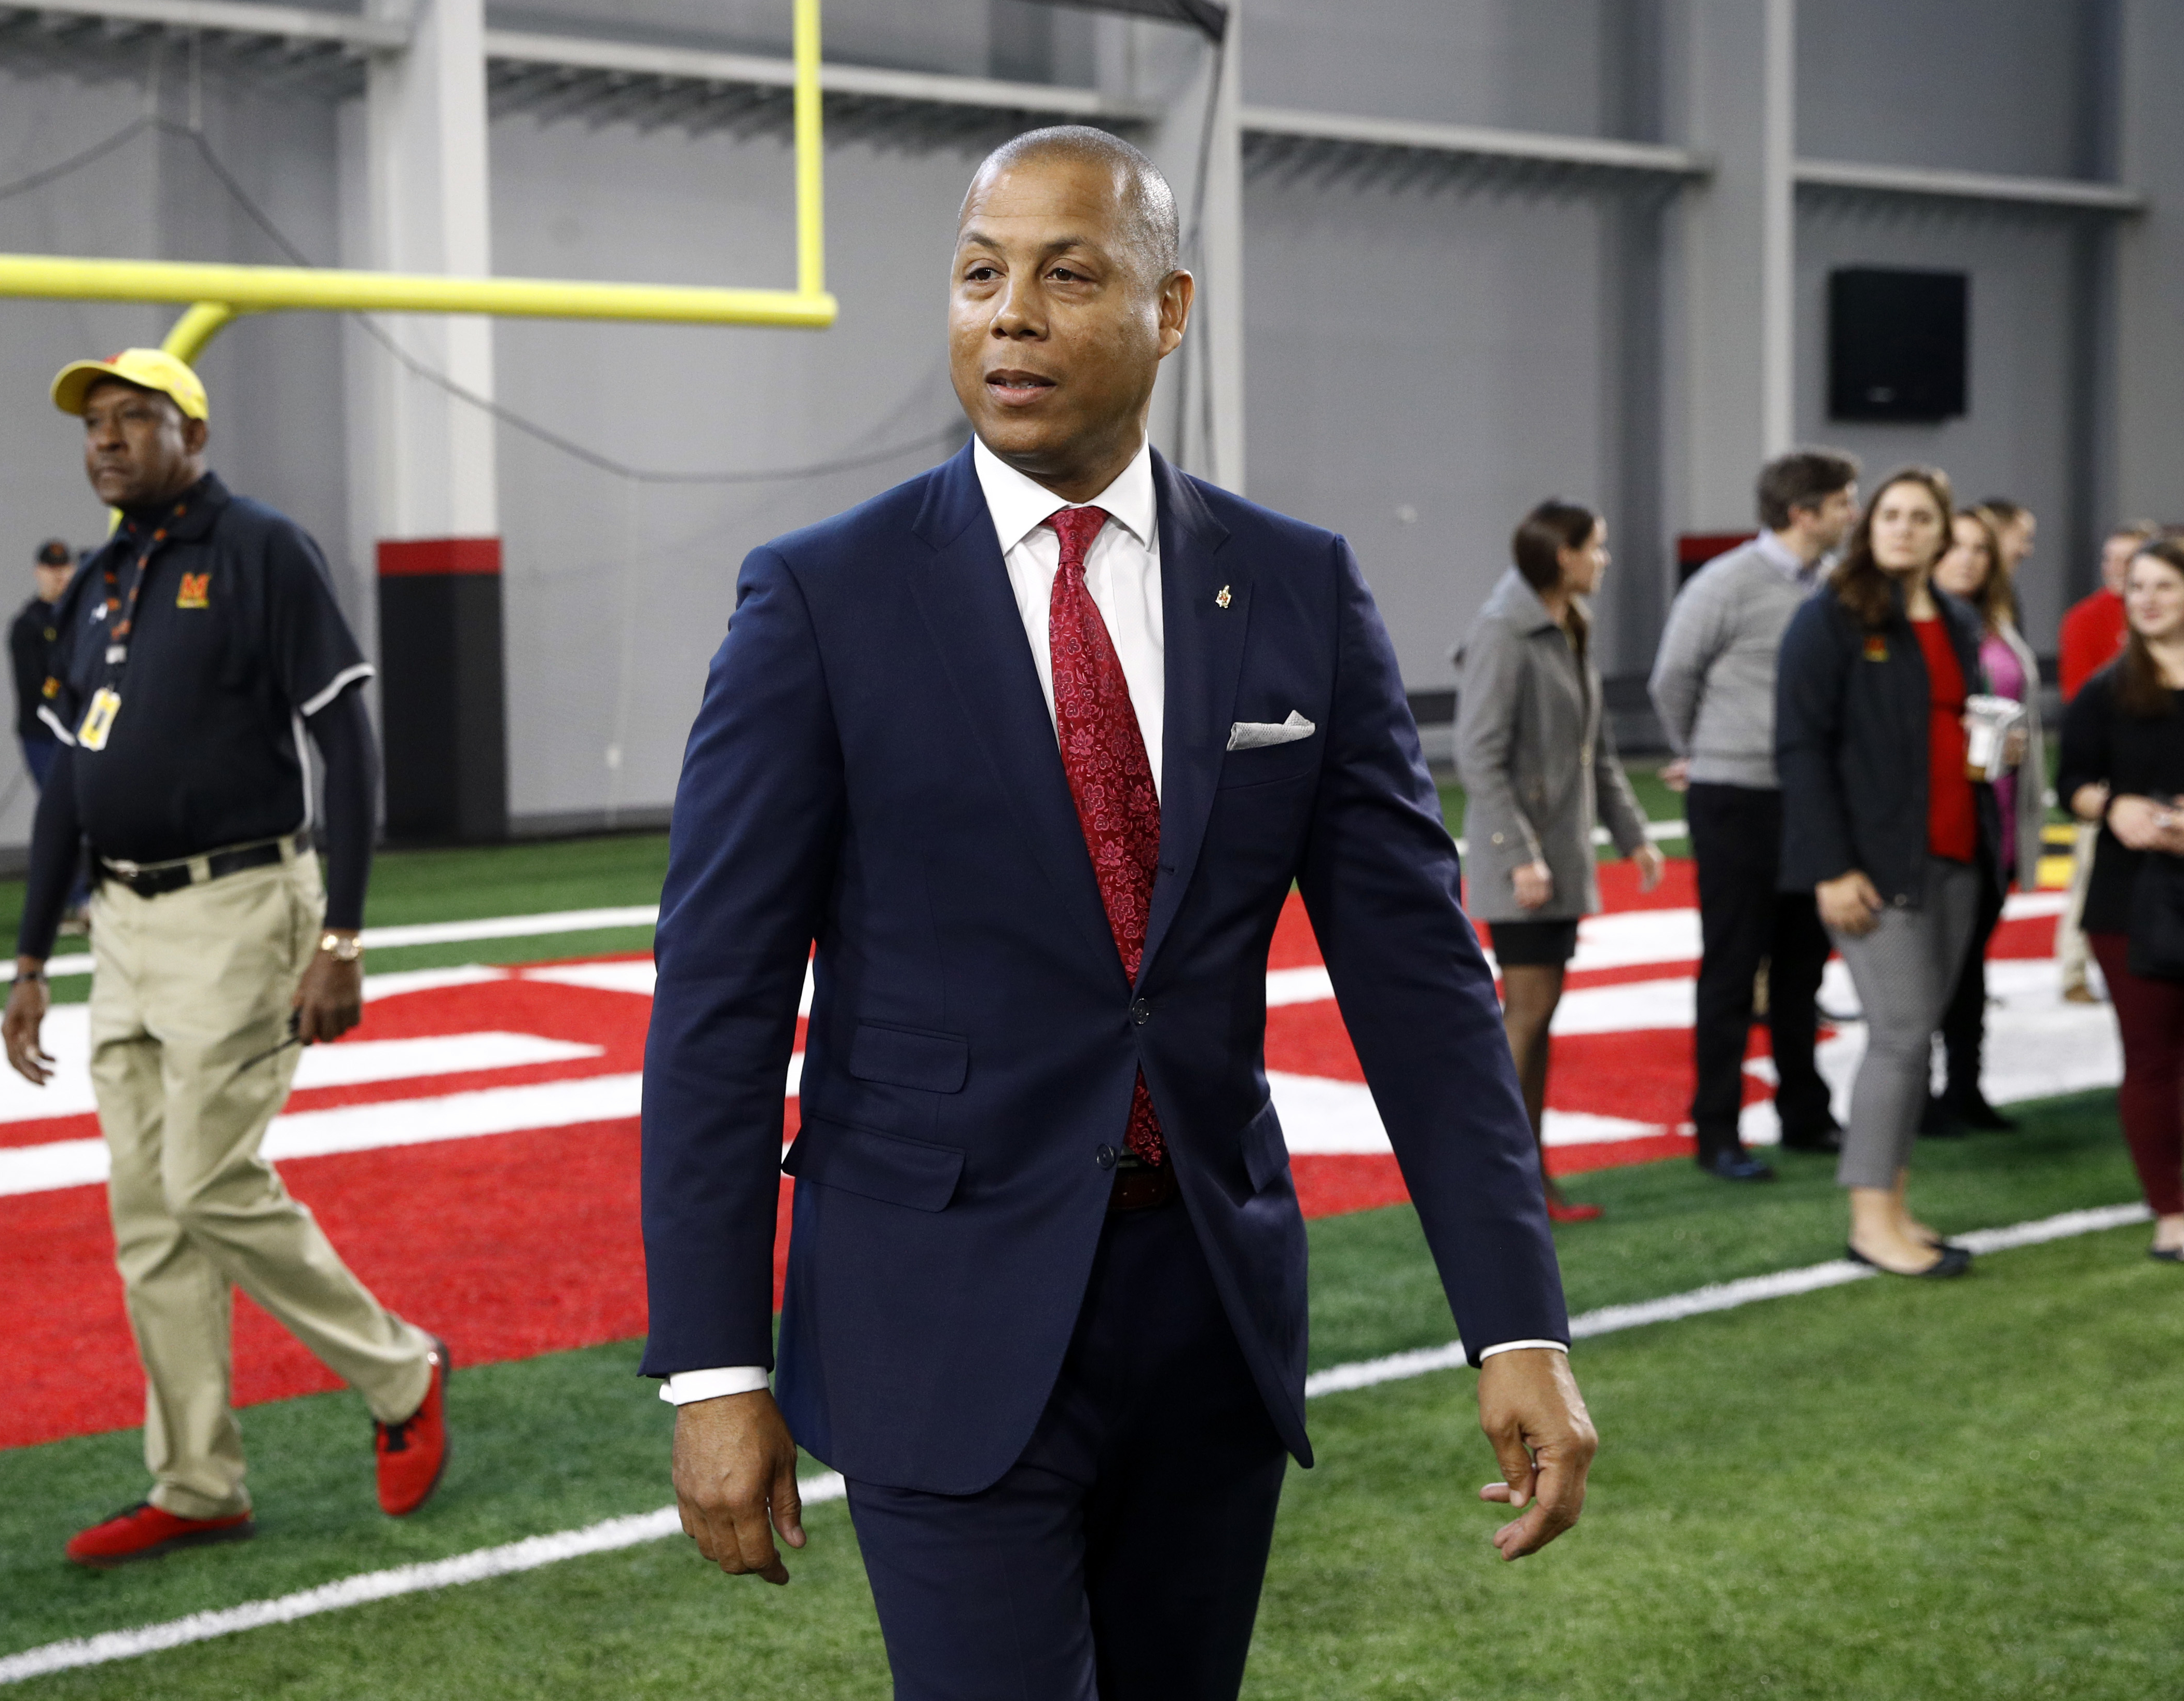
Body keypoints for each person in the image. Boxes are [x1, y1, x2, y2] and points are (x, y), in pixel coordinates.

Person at [641, 128, 1592, 1700]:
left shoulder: (1295, 585)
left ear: (1169, 310)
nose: (1008, 314)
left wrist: (1516, 1320)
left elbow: (1421, 981)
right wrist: (717, 1362)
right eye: (977, 273)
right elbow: (722, 1002)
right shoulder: (822, 595)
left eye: (1066, 273)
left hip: (1209, 1316)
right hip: (935, 1314)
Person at [0, 347, 449, 1568]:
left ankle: (402, 1369)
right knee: (147, 1217)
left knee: (204, 1182)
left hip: (244, 906)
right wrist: (31, 956)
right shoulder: (94, 581)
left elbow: (343, 745)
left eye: (131, 417)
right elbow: (63, 788)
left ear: (190, 431)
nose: (104, 439)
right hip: (121, 926)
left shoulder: (261, 548)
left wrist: (343, 935)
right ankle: (197, 1480)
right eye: (92, 422)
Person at [1777, 467, 2001, 1279]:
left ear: (1944, 533)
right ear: (1869, 526)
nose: (1903, 529)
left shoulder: (1954, 618)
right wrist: (1830, 867)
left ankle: (1896, 1205)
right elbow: (1799, 749)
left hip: (1953, 855)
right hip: (1874, 868)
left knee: (1916, 1039)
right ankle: (1870, 1221)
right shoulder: (1830, 619)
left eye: (1921, 518)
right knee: (1901, 1035)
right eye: (1891, 515)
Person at [1648, 450, 1858, 1182]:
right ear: (1804, 512)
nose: (1850, 515)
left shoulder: (1834, 586)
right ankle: (1717, 1129)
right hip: (1736, 796)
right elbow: (1671, 678)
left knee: (1803, 967)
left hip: (1810, 797)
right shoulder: (1725, 583)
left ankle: (1805, 1112)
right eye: (1842, 503)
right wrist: (1703, 750)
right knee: (1733, 968)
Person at [1454, 500, 1663, 1224]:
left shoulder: (1568, 624)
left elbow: (1593, 749)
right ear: (1562, 554)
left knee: (1537, 1017)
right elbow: (1476, 753)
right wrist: (1519, 856)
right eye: (1596, 548)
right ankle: (1505, 1182)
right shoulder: (1503, 631)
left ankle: (1527, 1176)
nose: (1604, 559)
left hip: (1557, 861)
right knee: (1528, 1014)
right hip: (1527, 870)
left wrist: (1632, 831)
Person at [2056, 534, 2184, 1263]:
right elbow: (2073, 784)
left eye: (2164, 585)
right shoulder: (2105, 689)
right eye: (2137, 586)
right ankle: (2168, 1212)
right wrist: (2111, 804)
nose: (2148, 599)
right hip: (2131, 903)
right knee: (2150, 1059)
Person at [1922, 504, 2044, 1136]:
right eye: (1956, 546)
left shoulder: (1999, 619)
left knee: (1971, 966)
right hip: (1938, 824)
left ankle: (1965, 1088)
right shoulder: (1916, 621)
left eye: (1979, 548)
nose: (1967, 558)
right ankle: (1916, 1096)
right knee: (1929, 971)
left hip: (1996, 817)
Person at [2056, 523, 2161, 1003]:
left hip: (2160, 777)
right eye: (2111, 561)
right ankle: (2073, 972)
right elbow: (2080, 697)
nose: (2117, 570)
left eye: (2129, 560)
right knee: (2090, 869)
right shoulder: (2085, 619)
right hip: (2107, 773)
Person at [8, 537, 90, 933]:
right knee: (62, 813)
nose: (59, 575)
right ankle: (73, 899)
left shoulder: (82, 616)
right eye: (51, 568)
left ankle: (85, 898)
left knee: (86, 813)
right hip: (44, 735)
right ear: (39, 572)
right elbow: (38, 689)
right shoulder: (28, 625)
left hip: (81, 732)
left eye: (65, 567)